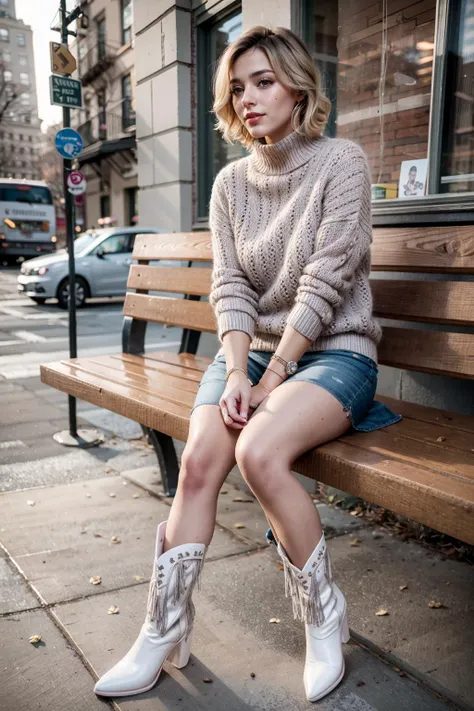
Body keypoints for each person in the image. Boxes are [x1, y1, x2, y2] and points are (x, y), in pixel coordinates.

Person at [93, 25, 402, 703]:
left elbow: (326, 279)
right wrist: (238, 370)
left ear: (297, 86)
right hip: (252, 353)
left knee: (260, 452)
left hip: (335, 353)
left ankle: (325, 619)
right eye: (238, 87)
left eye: (264, 81)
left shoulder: (341, 162)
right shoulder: (231, 183)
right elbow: (229, 284)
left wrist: (272, 375)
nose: (250, 98)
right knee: (201, 461)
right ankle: (161, 630)